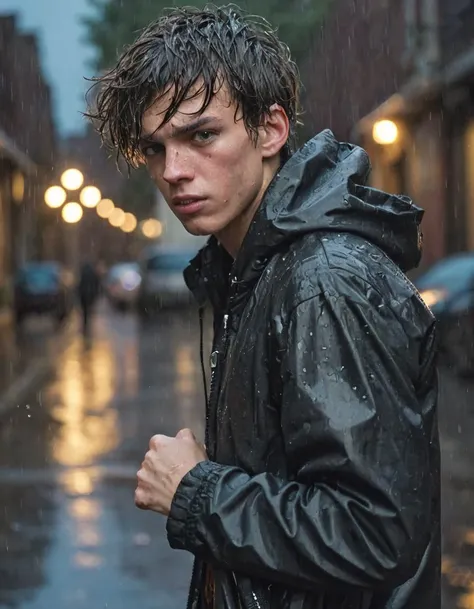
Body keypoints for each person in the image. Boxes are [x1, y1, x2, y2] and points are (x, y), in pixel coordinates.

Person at [89, 6, 440, 609]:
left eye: (202, 135)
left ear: (271, 130)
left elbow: (375, 533)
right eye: (156, 148)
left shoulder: (322, 281)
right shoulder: (253, 271)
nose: (174, 171)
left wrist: (197, 492)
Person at [77, 261, 101, 335]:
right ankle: (88, 325)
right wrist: (96, 294)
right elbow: (96, 285)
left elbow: (80, 285)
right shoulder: (94, 274)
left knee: (84, 312)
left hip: (83, 295)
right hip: (91, 295)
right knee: (89, 310)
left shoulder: (83, 274)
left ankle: (85, 326)